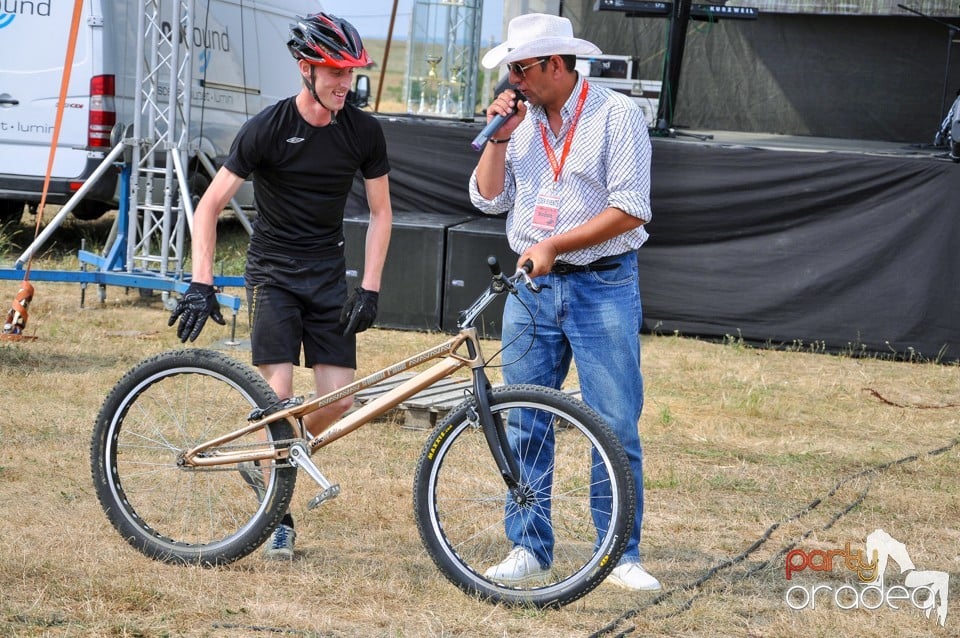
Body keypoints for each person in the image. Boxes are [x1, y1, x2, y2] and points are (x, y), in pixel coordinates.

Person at [168, 13, 392, 560]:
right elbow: (209, 205)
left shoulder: (362, 130)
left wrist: (370, 289)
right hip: (272, 273)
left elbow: (383, 214)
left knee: (340, 399)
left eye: (352, 71)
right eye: (335, 70)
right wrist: (202, 283)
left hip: (327, 275)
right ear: (306, 68)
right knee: (279, 396)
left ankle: (267, 453)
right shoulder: (267, 127)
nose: (345, 82)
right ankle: (279, 514)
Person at [468, 13, 660, 592]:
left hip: (600, 283)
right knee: (524, 419)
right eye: (509, 70)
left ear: (556, 64)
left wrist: (553, 242)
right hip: (532, 288)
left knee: (614, 422)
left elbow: (630, 208)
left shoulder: (616, 115)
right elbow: (487, 199)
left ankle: (619, 552)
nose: (512, 79)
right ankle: (529, 544)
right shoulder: (519, 121)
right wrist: (499, 135)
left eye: (521, 68)